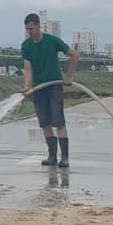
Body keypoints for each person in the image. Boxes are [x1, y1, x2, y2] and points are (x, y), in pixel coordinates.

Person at [21, 13, 78, 167]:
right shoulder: (26, 46)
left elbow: (73, 55)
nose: (29, 32)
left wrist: (68, 76)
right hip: (38, 88)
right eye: (27, 29)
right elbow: (27, 68)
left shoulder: (51, 41)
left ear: (39, 26)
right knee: (44, 123)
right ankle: (52, 156)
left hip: (54, 86)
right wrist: (27, 85)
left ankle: (64, 157)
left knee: (58, 122)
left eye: (32, 28)